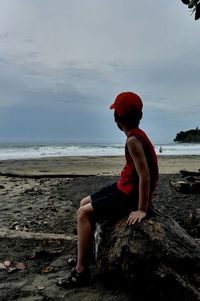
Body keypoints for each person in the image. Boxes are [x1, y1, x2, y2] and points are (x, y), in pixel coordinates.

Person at [57, 91, 158, 288]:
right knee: (83, 202)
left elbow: (145, 176)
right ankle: (86, 254)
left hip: (130, 194)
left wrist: (142, 209)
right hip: (125, 185)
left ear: (117, 119)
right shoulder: (136, 135)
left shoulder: (133, 140)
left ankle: (81, 271)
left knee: (82, 213)